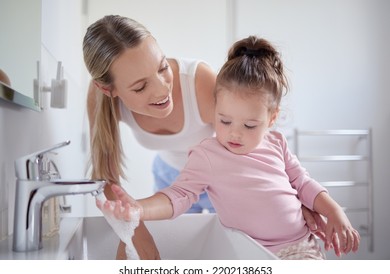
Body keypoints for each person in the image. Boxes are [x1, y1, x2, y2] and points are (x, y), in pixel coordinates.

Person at [84, 15, 336, 260]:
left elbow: (252, 142)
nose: (162, 88)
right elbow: (108, 176)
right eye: (140, 87)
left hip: (226, 177)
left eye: (162, 67)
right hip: (169, 178)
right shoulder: (101, 101)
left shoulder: (199, 83)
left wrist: (286, 203)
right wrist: (132, 227)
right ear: (108, 90)